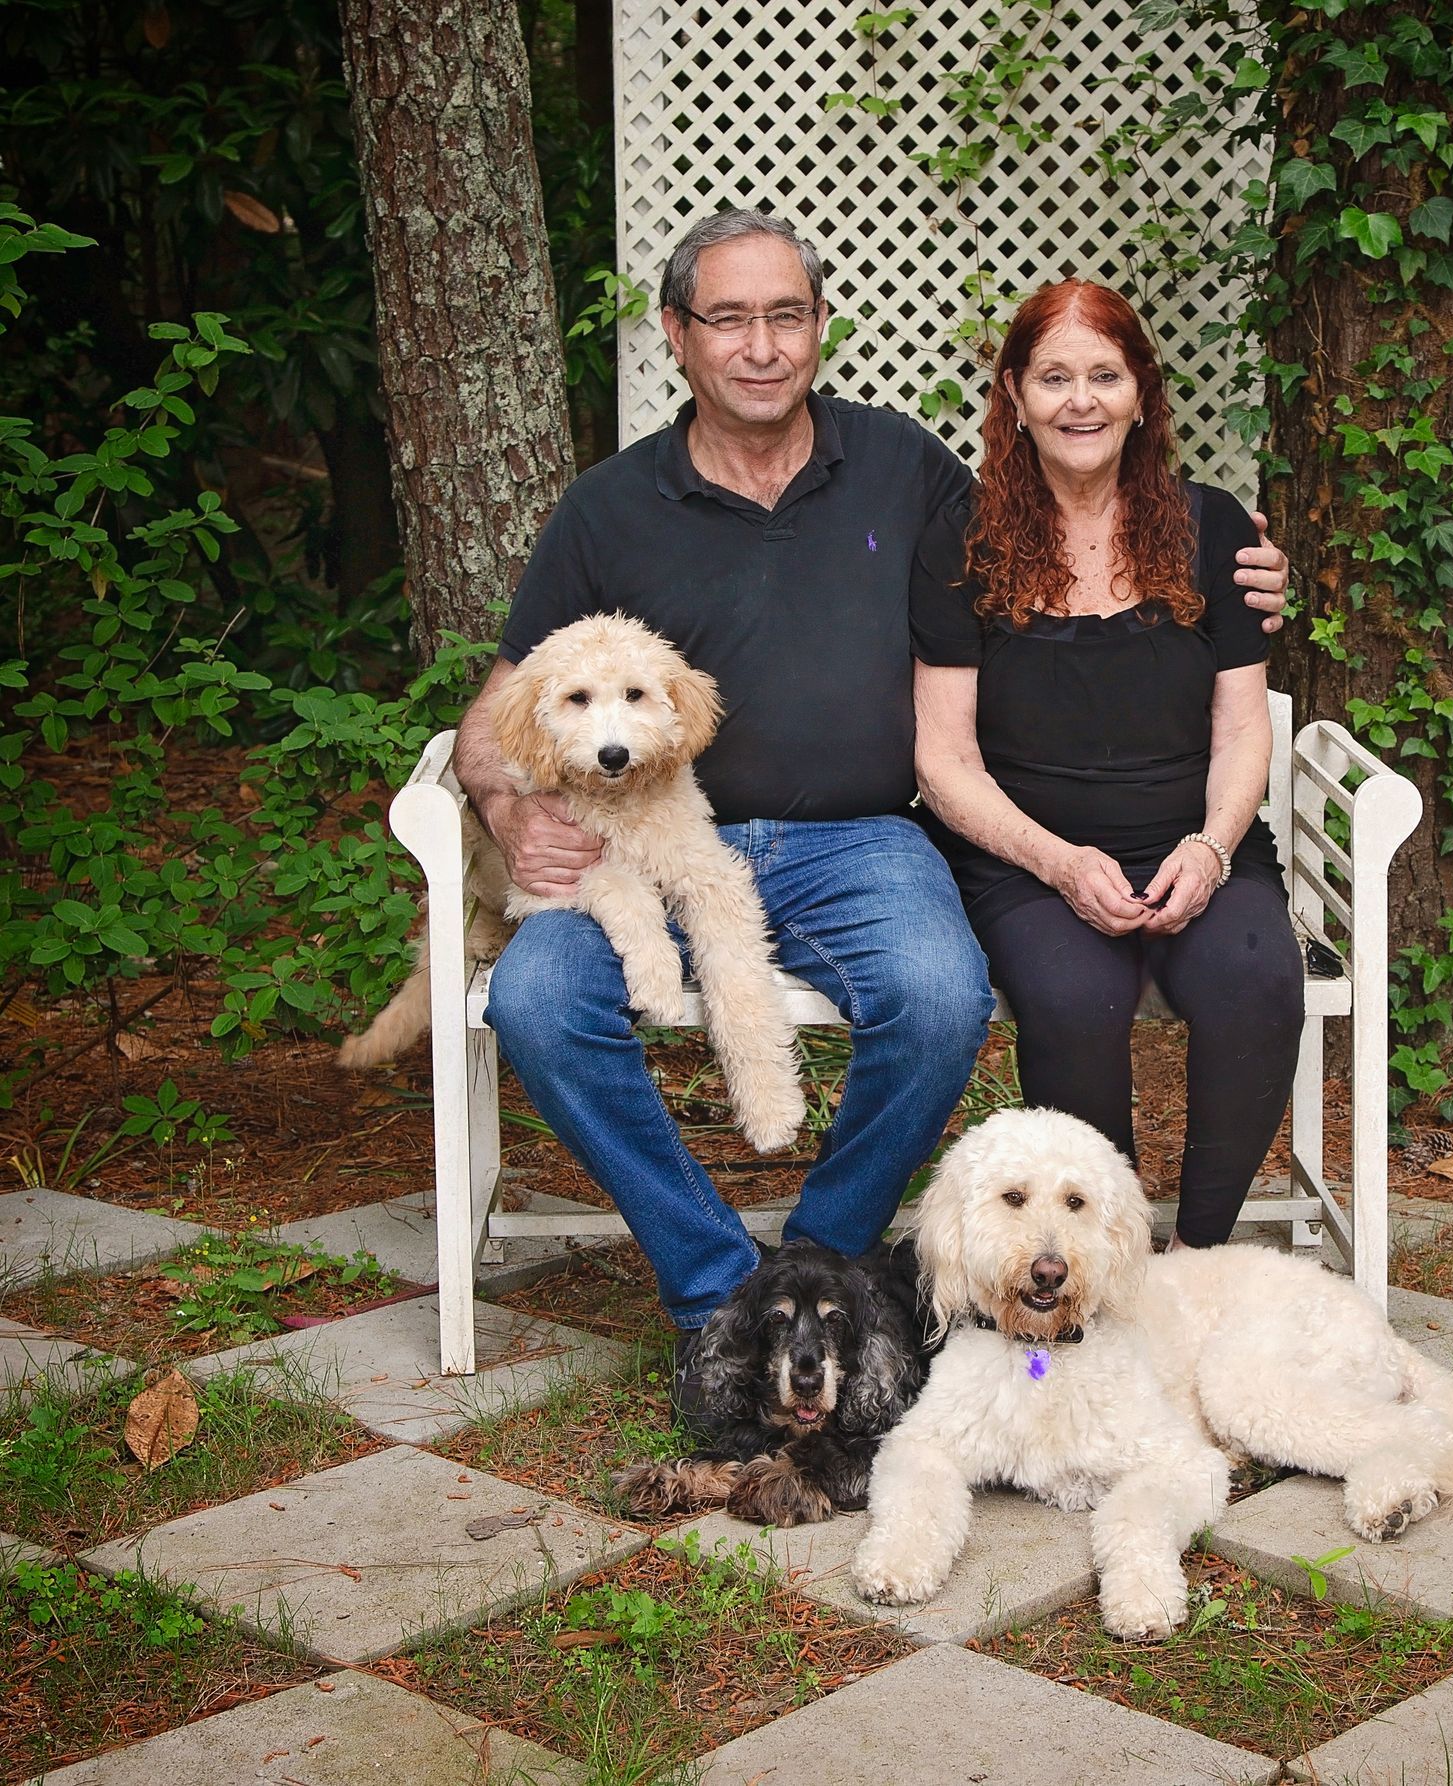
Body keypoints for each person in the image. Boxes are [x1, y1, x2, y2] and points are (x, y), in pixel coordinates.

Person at [450, 212, 1294, 1363]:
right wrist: (509, 811)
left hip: (858, 838)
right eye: (729, 319)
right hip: (643, 841)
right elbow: (493, 711)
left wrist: (1234, 560)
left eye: (785, 316)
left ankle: (824, 1263)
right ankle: (717, 1294)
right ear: (677, 335)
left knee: (941, 997)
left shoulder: (898, 465)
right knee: (536, 1000)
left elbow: (1048, 519)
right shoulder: (609, 507)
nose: (761, 346)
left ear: (820, 329)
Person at [911, 280, 1306, 1251]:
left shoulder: (1214, 530)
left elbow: (1242, 731)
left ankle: (1198, 1259)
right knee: (1075, 998)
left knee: (1258, 980)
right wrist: (1057, 863)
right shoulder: (962, 542)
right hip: (1025, 860)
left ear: (1141, 393)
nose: (1080, 401)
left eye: (1104, 376)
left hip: (1193, 842)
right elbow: (945, 759)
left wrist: (1211, 850)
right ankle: (1106, 1264)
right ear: (1015, 394)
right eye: (1054, 378)